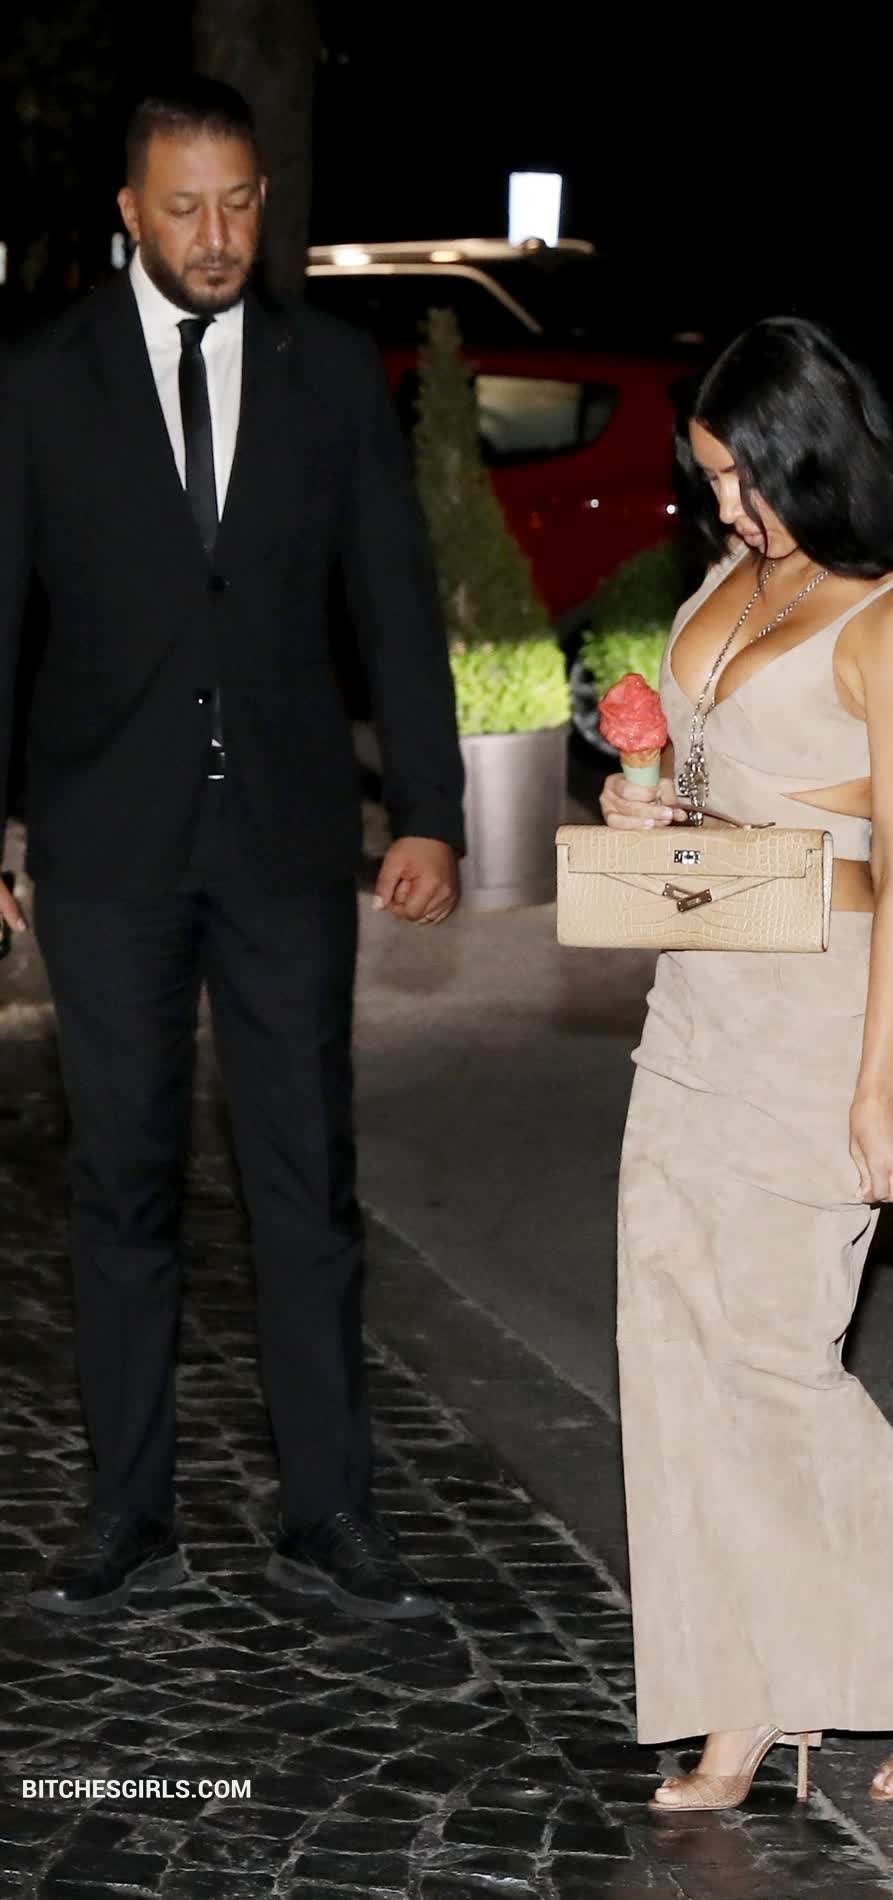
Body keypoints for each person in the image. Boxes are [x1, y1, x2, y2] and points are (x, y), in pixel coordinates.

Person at [0, 78, 465, 1618]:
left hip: (282, 841)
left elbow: (392, 596)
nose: (216, 235)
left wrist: (428, 809)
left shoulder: (327, 372)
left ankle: (328, 1506)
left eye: (241, 203)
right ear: (129, 214)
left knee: (303, 1181)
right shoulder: (40, 381)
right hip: (105, 846)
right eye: (186, 207)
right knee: (119, 1182)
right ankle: (128, 1510)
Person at [602, 316, 893, 1809]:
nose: (724, 506)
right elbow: (706, 779)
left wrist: (874, 1088)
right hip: (697, 991)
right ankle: (737, 1691)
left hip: (825, 1006)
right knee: (674, 1357)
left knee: (777, 1363)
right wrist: (645, 804)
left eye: (743, 476)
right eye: (710, 479)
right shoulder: (732, 583)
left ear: (809, 455)